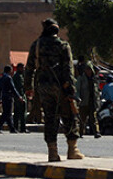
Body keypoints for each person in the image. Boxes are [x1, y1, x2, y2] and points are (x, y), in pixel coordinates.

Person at [24, 18, 84, 162]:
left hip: (43, 87)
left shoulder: (36, 45)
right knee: (69, 115)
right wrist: (70, 90)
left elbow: (29, 68)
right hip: (61, 87)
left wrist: (28, 88)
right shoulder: (63, 45)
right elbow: (69, 70)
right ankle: (72, 149)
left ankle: (52, 152)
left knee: (50, 118)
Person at [76, 62, 101, 138]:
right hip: (84, 101)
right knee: (82, 119)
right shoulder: (81, 79)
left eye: (90, 69)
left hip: (92, 101)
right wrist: (78, 98)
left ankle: (96, 132)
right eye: (87, 69)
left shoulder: (94, 79)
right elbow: (77, 89)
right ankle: (80, 132)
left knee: (93, 118)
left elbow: (97, 90)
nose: (88, 71)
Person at [0, 65, 23, 133]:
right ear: (9, 71)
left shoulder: (1, 79)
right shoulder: (8, 78)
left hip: (3, 97)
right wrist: (18, 96)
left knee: (8, 113)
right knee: (7, 113)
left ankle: (12, 128)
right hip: (8, 97)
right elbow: (13, 88)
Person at [12, 63, 28, 133]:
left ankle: (22, 128)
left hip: (21, 96)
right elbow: (17, 88)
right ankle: (19, 127)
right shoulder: (17, 76)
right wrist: (19, 97)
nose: (23, 69)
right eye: (22, 68)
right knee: (18, 113)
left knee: (22, 113)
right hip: (19, 97)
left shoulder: (21, 76)